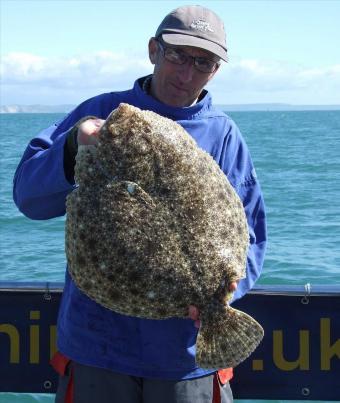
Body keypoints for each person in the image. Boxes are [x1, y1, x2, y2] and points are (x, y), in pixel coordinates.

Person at [13, 5, 266, 403]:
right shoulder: (98, 114)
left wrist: (223, 296)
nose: (186, 74)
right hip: (98, 349)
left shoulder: (225, 135)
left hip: (184, 362)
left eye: (203, 62)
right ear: (154, 50)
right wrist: (72, 147)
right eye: (178, 55)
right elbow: (28, 198)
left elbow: (251, 238)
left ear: (215, 70)